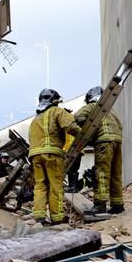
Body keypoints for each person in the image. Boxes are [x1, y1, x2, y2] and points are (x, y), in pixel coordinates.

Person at [28, 88, 81, 224]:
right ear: (55, 101)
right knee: (55, 185)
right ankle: (57, 217)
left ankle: (39, 215)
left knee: (40, 185)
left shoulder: (35, 119)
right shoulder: (57, 112)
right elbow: (71, 127)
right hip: (52, 154)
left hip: (35, 155)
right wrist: (85, 135)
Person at [74, 86, 124, 214]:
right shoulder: (111, 111)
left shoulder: (93, 106)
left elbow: (78, 116)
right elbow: (120, 125)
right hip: (117, 141)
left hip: (104, 141)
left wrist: (87, 132)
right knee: (115, 174)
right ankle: (117, 205)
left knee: (101, 172)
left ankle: (100, 204)